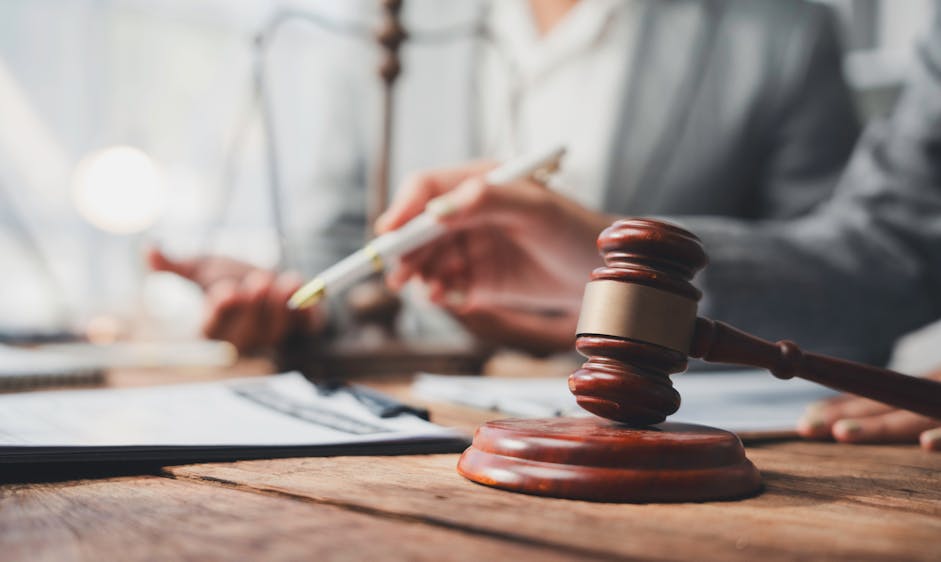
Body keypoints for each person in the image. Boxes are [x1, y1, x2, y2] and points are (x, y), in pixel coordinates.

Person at [380, 1, 941, 449]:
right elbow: (894, 243)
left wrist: (636, 287)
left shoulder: (780, 29)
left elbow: (879, 277)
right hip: (454, 397)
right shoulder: (402, 24)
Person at [150, 0, 858, 353]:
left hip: (669, 447)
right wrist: (291, 309)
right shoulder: (392, 21)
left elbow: (848, 302)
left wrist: (596, 307)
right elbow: (337, 251)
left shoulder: (778, 31)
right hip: (414, 442)